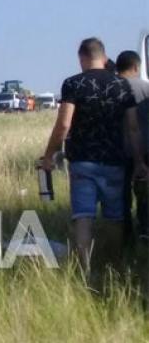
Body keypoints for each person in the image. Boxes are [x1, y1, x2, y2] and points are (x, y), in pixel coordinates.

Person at [39, 38, 145, 274]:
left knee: (83, 215)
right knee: (115, 216)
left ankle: (85, 269)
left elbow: (64, 124)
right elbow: (133, 128)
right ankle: (115, 265)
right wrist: (138, 162)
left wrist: (49, 155)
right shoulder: (123, 85)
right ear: (104, 57)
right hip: (115, 159)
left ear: (82, 58)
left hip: (82, 160)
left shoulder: (73, 84)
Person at [116, 50, 149, 239]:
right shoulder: (146, 88)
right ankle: (145, 228)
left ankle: (126, 233)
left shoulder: (112, 89)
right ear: (136, 66)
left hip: (119, 150)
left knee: (123, 195)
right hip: (145, 148)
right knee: (144, 192)